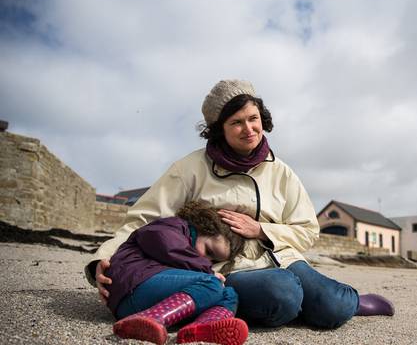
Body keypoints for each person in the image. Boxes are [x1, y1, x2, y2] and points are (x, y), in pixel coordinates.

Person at [85, 79, 394, 330]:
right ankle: (261, 303)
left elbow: (308, 230)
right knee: (283, 294)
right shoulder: (190, 168)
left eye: (253, 119)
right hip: (225, 268)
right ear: (219, 129)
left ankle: (352, 301)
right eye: (236, 122)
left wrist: (262, 229)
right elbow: (143, 219)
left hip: (283, 258)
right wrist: (104, 259)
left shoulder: (282, 172)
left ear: (263, 119)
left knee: (334, 306)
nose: (249, 129)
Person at [107, 200, 248, 345]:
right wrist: (208, 272)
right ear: (202, 227)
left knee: (229, 293)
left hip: (151, 296)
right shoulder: (173, 226)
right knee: (211, 283)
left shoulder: (193, 260)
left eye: (213, 261)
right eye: (209, 251)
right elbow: (165, 243)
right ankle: (148, 320)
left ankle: (201, 329)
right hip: (132, 288)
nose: (206, 259)